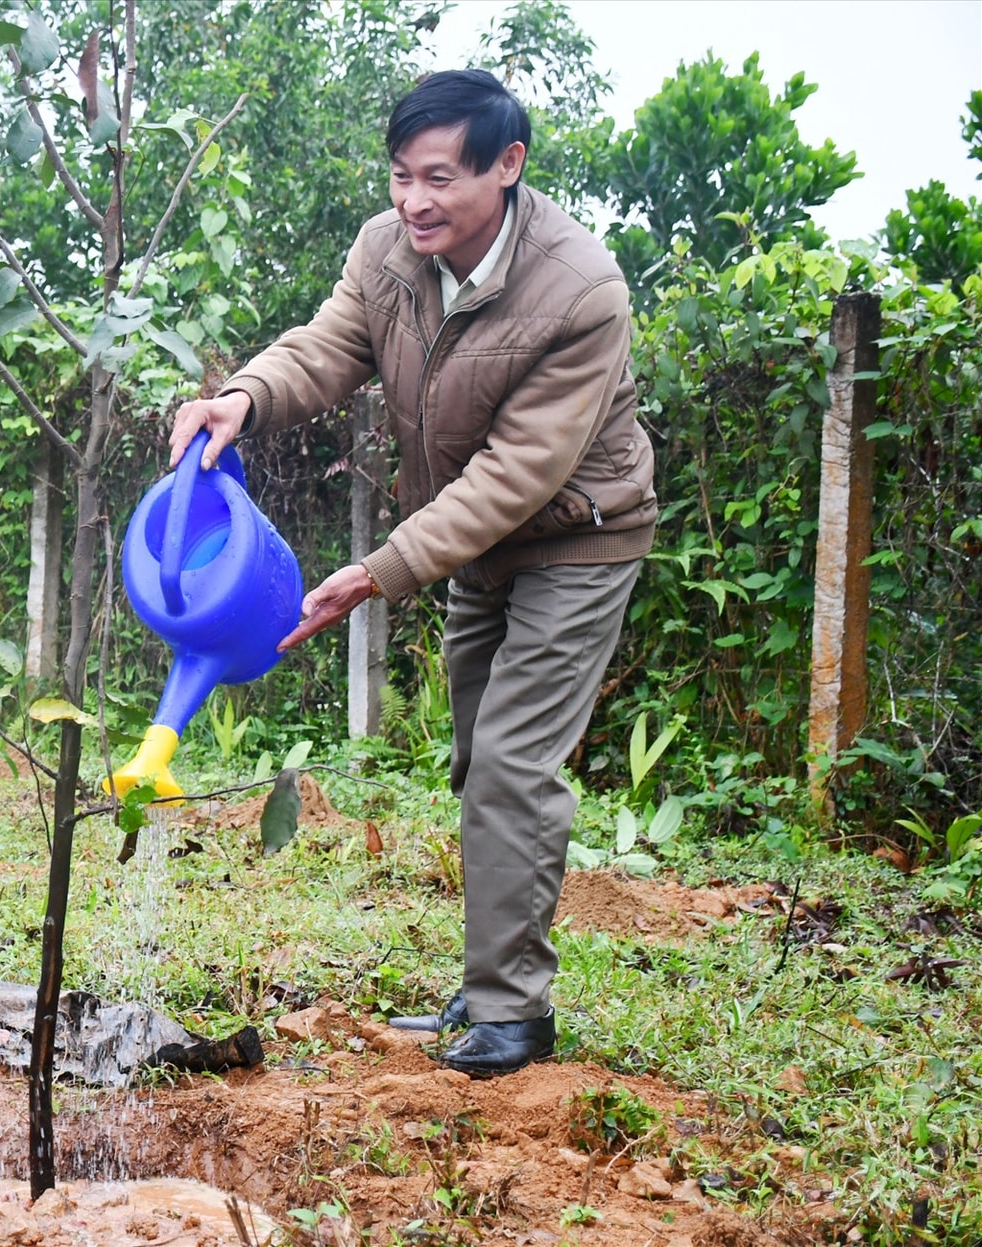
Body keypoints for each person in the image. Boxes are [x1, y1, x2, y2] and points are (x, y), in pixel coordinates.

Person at [170, 69, 656, 1078]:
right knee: (481, 761)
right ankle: (488, 990)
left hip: (577, 534)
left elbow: (520, 472)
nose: (413, 201)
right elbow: (328, 346)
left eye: (438, 178)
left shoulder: (582, 288)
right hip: (470, 541)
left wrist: (381, 570)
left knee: (517, 761)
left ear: (508, 166)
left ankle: (513, 1016)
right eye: (400, 176)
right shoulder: (388, 252)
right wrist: (244, 400)